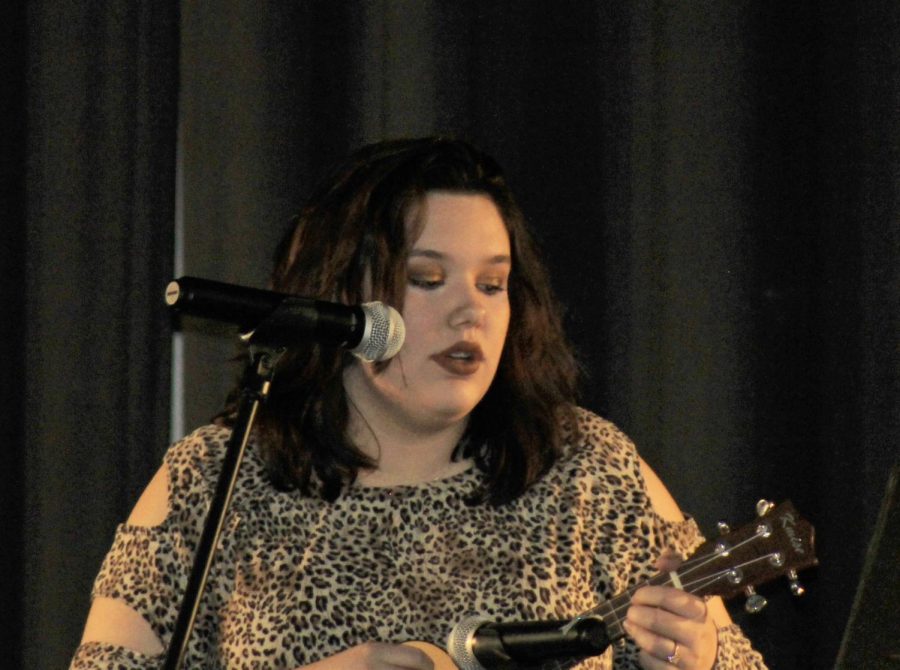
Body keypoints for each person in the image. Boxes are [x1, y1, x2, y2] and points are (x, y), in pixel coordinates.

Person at [71, 137, 767, 669]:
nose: (470, 309)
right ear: (343, 292)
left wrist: (699, 656)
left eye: (493, 285)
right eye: (428, 279)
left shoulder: (588, 470)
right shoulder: (213, 478)